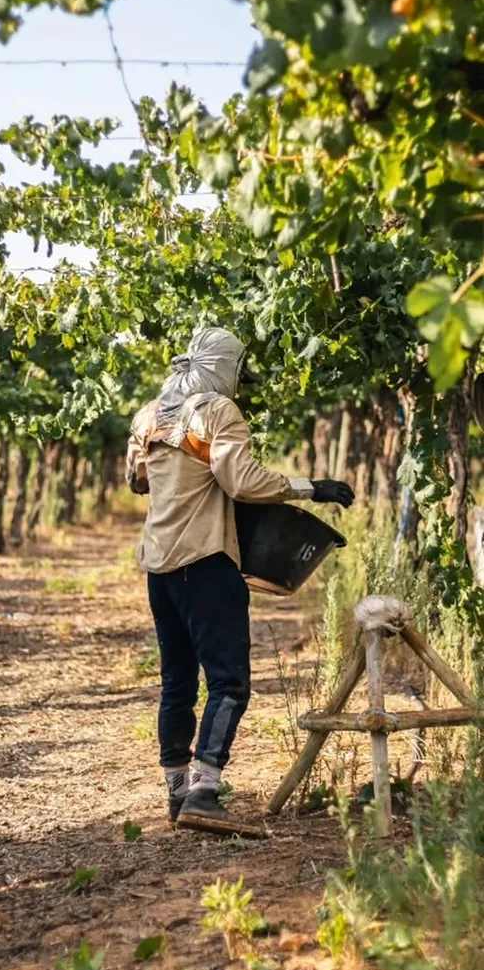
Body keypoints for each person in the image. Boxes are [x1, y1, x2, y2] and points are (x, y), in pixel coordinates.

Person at [125, 327, 354, 835]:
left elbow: (137, 481)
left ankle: (177, 793)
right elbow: (242, 482)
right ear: (224, 366)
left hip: (159, 567)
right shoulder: (216, 413)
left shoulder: (148, 415)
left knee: (177, 683)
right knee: (228, 681)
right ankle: (205, 792)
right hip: (205, 561)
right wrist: (311, 488)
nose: (240, 388)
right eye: (238, 375)